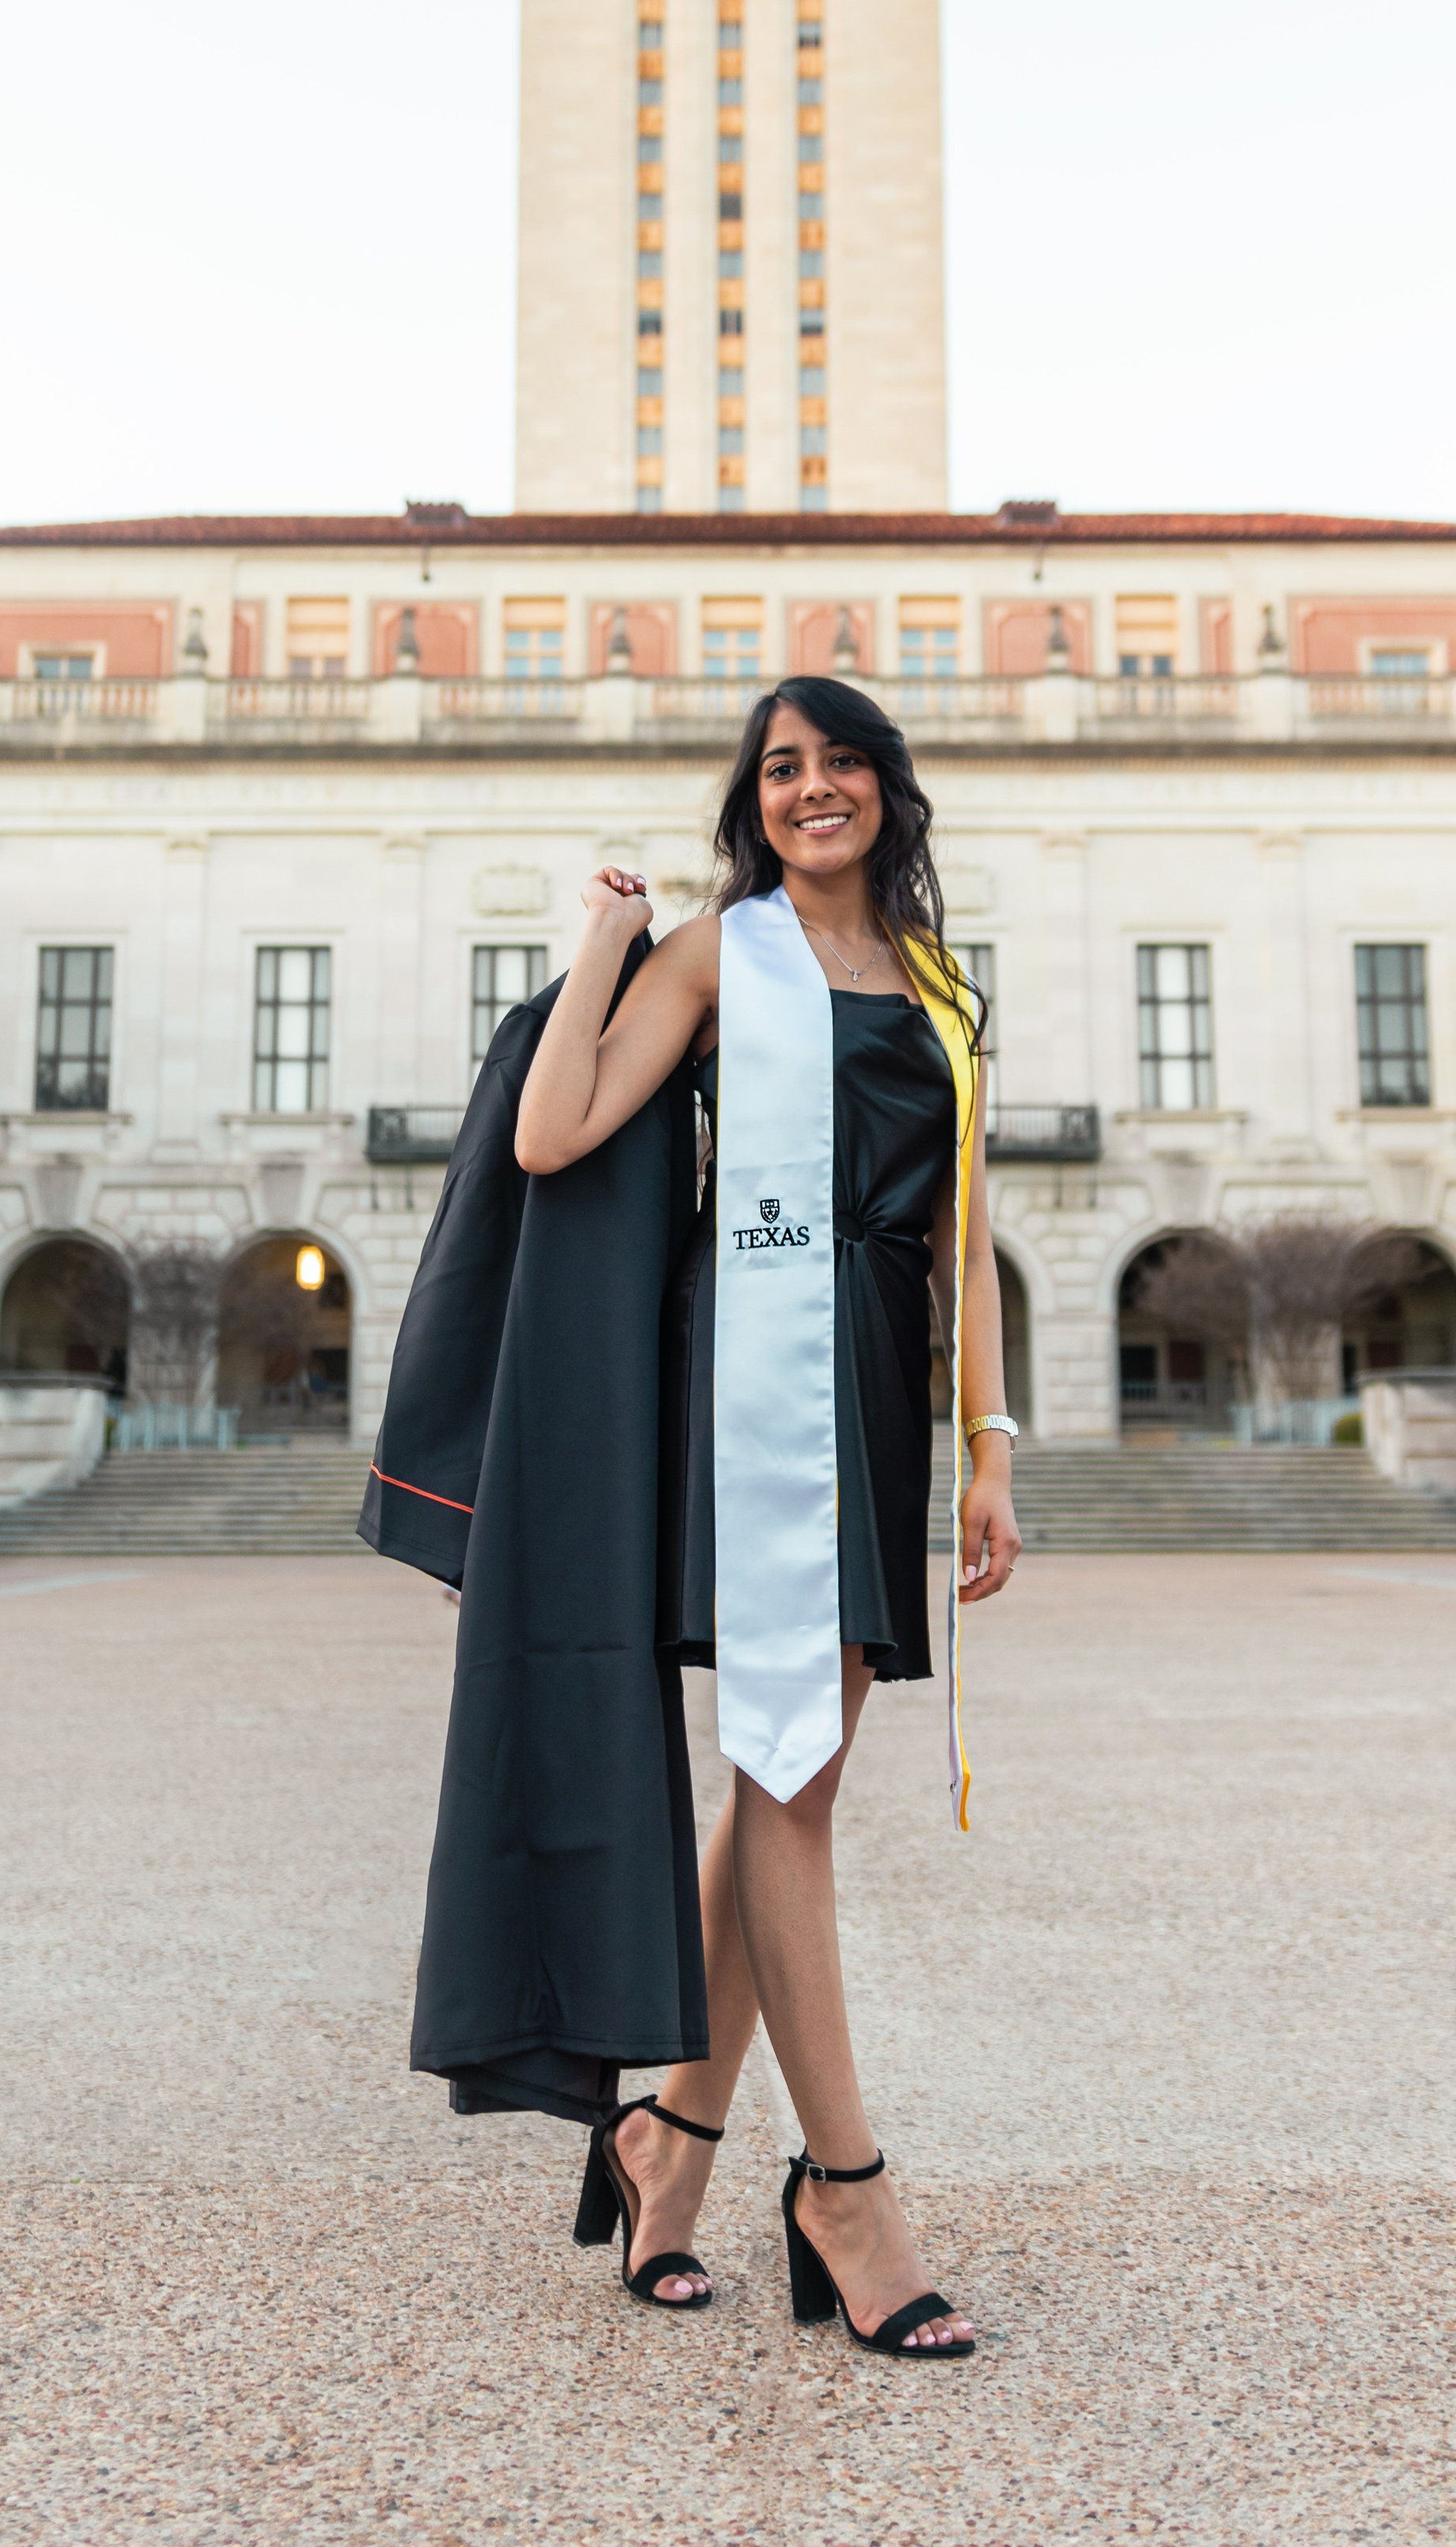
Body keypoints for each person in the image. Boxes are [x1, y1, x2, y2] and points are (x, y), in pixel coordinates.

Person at [511, 678, 1022, 2360]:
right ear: (754, 803)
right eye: (781, 768)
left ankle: (665, 2143)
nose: (813, 788)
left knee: (783, 1778)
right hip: (752, 1382)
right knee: (790, 1780)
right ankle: (847, 2193)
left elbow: (959, 1235)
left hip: (871, 1381)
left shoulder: (940, 985)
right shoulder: (724, 955)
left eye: (839, 759)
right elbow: (553, 1132)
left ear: (886, 785)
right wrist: (606, 943)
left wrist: (989, 1446)